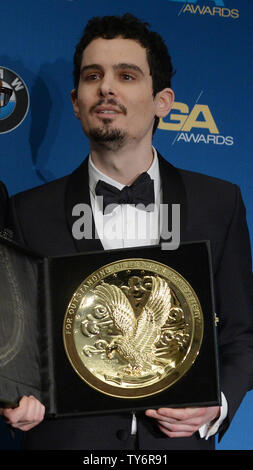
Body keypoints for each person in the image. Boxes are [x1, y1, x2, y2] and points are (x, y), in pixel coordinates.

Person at [4, 14, 253, 450]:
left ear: (163, 101)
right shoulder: (27, 213)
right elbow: (13, 343)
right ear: (76, 101)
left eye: (127, 75)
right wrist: (9, 397)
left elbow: (242, 334)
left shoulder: (219, 203)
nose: (106, 87)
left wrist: (219, 402)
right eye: (92, 76)